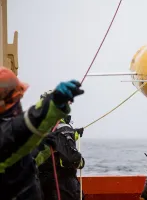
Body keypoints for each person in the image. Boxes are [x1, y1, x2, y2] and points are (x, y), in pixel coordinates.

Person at [0, 66, 84, 200]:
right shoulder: (8, 134)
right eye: (18, 99)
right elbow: (27, 123)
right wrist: (54, 103)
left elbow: (25, 156)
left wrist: (39, 146)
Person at [32, 111, 85, 200]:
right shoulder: (64, 127)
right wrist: (81, 162)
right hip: (62, 188)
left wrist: (73, 135)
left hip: (41, 186)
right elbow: (73, 159)